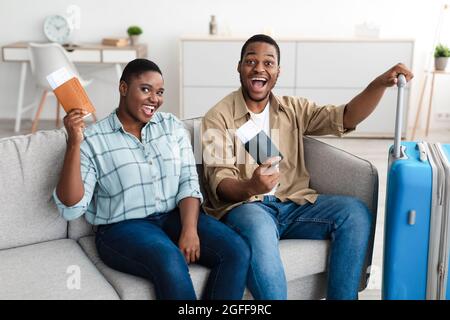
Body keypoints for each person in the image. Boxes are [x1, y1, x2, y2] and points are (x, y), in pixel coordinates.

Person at [201, 34, 414, 300]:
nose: (259, 68)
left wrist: (379, 84)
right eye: (251, 61)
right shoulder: (217, 118)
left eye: (268, 63)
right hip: (247, 208)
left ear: (278, 72)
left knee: (355, 212)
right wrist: (251, 186)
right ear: (239, 67)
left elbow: (345, 117)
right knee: (257, 227)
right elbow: (219, 185)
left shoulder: (293, 109)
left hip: (292, 203)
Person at [53, 58, 250, 300]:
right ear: (123, 88)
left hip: (173, 217)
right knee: (169, 258)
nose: (154, 99)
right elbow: (71, 208)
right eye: (145, 89)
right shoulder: (94, 138)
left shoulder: (171, 126)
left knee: (236, 249)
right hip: (122, 228)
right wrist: (74, 142)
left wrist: (189, 229)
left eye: (159, 92)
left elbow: (188, 181)